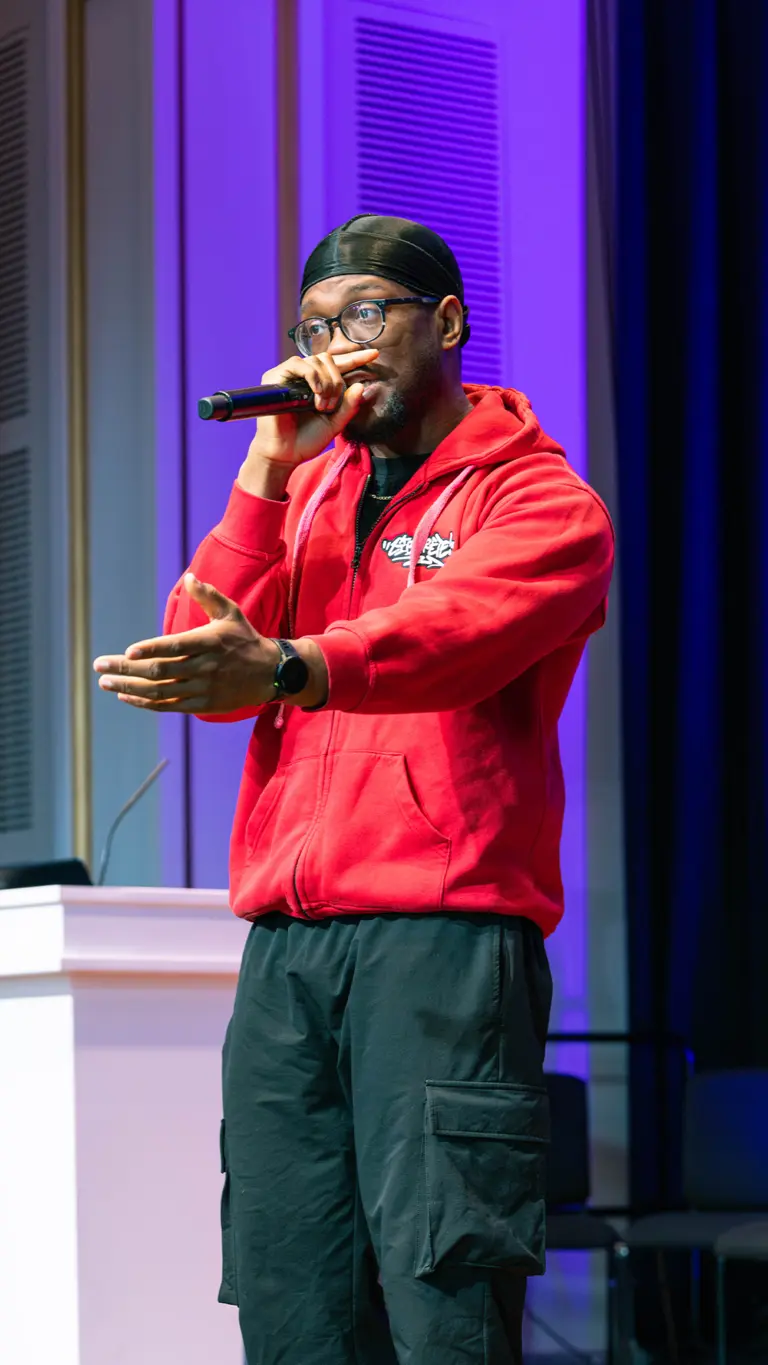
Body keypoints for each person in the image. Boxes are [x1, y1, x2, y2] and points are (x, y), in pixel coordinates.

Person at [94, 214, 614, 1365]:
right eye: (317, 325)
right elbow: (209, 667)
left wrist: (291, 662)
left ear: (447, 322)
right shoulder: (313, 493)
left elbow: (452, 638)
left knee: (441, 1294)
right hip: (290, 948)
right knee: (291, 1287)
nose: (340, 345)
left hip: (440, 941)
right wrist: (267, 467)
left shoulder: (541, 504)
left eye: (367, 315)